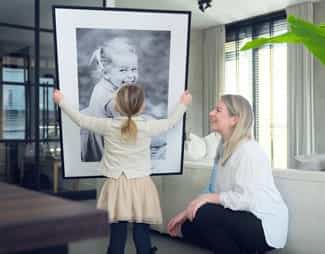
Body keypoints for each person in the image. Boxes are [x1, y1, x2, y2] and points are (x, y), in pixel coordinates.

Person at [53, 85, 192, 254]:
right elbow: (171, 123)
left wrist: (61, 101)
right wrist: (184, 103)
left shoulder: (108, 125)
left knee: (117, 233)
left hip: (117, 186)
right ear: (142, 106)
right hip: (142, 186)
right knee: (142, 231)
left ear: (117, 105)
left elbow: (81, 120)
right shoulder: (147, 126)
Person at [167, 94, 288, 254]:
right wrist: (185, 212)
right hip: (242, 216)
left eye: (218, 110)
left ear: (234, 119)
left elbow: (247, 199)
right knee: (189, 226)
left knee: (204, 213)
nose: (211, 113)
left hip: (263, 225)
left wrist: (208, 199)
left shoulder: (248, 151)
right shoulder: (223, 147)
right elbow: (212, 188)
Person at [80, 37, 139, 161]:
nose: (130, 75)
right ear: (106, 73)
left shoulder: (102, 87)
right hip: (109, 152)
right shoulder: (112, 99)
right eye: (123, 70)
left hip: (100, 140)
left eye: (134, 69)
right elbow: (128, 131)